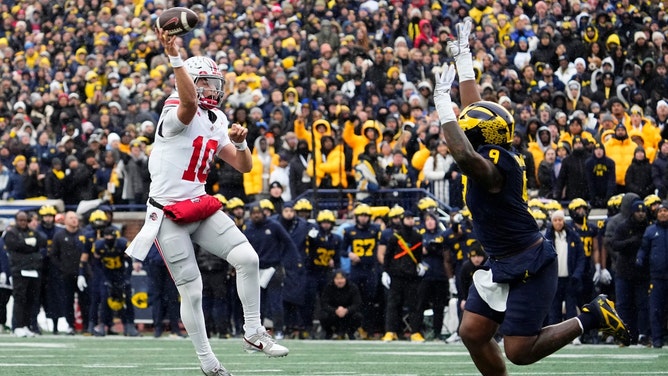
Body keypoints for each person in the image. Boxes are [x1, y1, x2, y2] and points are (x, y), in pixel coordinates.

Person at [433, 18, 630, 375]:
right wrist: (464, 60)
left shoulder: (491, 168)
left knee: (520, 351)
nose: (462, 126)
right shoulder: (495, 148)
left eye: (465, 127)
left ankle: (592, 315)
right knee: (473, 332)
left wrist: (441, 105)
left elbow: (462, 153)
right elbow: (476, 110)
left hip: (528, 263)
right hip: (501, 258)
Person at [125, 30, 287, 376]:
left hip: (197, 203)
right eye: (207, 83)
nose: (214, 89)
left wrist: (242, 145)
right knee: (193, 291)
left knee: (247, 257)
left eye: (216, 82)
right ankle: (208, 362)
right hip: (168, 212)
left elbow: (243, 167)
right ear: (192, 83)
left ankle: (254, 332)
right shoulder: (175, 109)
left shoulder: (218, 120)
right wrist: (174, 58)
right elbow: (187, 104)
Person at [3, 211, 46, 337]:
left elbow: (41, 242)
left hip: (33, 270)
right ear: (16, 220)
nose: (22, 223)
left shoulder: (32, 232)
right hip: (19, 269)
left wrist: (26, 245)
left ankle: (26, 325)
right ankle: (17, 326)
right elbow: (14, 246)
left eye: (25, 220)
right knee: (19, 298)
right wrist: (28, 244)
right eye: (20, 220)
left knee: (31, 299)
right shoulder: (12, 233)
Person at [636, 201, 668, 348]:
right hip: (656, 276)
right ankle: (657, 339)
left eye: (665, 211)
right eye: (660, 211)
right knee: (655, 309)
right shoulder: (650, 231)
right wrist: (640, 258)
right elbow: (644, 249)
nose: (663, 213)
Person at [319, 269, 363, 339]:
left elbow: (357, 304)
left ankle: (350, 333)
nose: (340, 281)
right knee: (323, 316)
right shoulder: (328, 287)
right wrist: (335, 310)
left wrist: (346, 310)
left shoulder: (352, 287)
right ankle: (329, 333)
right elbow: (324, 304)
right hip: (333, 314)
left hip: (348, 314)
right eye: (337, 279)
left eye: (342, 278)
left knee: (358, 316)